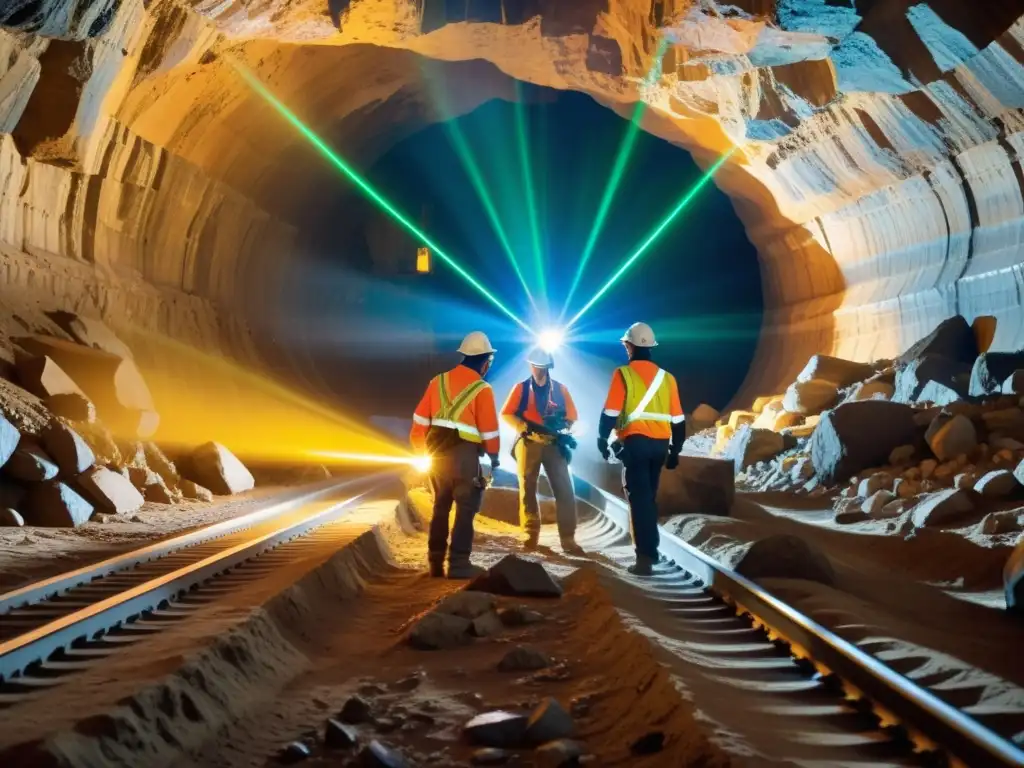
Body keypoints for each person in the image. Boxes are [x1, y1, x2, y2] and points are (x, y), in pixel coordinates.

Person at [410, 331, 501, 579]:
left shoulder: (437, 382)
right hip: (465, 458)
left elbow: (418, 424)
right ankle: (459, 565)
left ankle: (436, 563)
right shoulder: (482, 389)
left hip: (437, 455)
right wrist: (494, 459)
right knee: (465, 509)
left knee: (440, 507)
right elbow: (490, 432)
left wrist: (422, 454)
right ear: (485, 362)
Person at [597, 322, 684, 575]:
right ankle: (650, 550)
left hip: (635, 444)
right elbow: (678, 419)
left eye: (626, 344)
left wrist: (602, 438)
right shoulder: (668, 378)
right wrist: (675, 451)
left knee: (640, 500)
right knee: (648, 498)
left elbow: (611, 412)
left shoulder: (623, 374)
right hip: (659, 446)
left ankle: (645, 558)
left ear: (630, 345)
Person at [500, 350, 583, 555]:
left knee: (564, 488)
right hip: (528, 442)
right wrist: (522, 427)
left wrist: (563, 426)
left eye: (542, 367)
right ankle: (530, 534)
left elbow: (573, 416)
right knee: (527, 486)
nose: (538, 370)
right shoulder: (520, 389)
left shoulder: (560, 390)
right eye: (536, 366)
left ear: (548, 367)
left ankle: (568, 539)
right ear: (530, 366)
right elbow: (506, 413)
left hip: (553, 443)